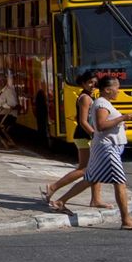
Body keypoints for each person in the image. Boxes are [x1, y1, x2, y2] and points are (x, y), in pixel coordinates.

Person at [49, 76, 132, 231]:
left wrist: (120, 124)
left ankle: (60, 201)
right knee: (120, 182)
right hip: (107, 148)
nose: (119, 91)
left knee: (90, 178)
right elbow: (101, 125)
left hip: (106, 147)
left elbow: (106, 123)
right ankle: (126, 220)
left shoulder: (105, 103)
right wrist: (123, 117)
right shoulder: (101, 103)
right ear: (107, 90)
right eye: (117, 88)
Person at [42, 71, 105, 210]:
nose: (93, 85)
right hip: (84, 136)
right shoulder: (85, 98)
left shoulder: (89, 96)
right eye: (90, 82)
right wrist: (94, 134)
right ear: (83, 83)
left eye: (95, 82)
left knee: (95, 168)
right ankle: (53, 187)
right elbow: (82, 121)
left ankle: (96, 199)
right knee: (84, 169)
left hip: (86, 136)